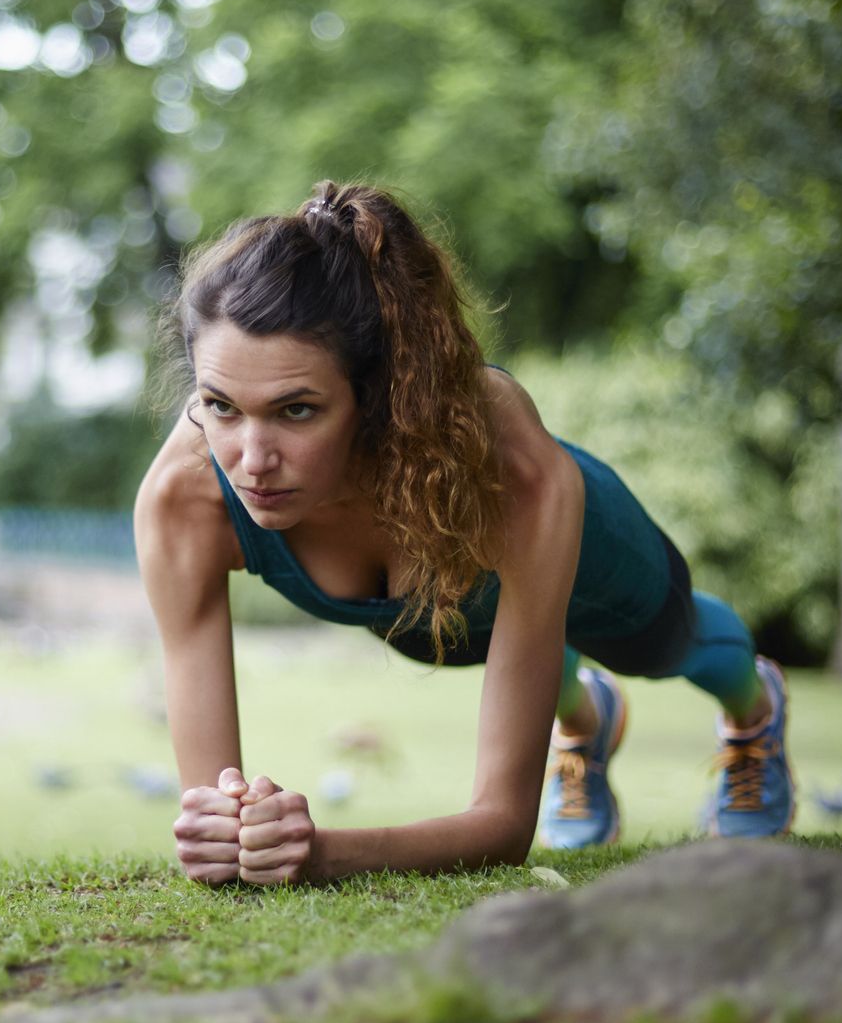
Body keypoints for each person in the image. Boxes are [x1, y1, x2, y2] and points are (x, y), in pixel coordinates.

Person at [134, 181, 794, 887]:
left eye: (296, 410)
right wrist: (225, 832)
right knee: (484, 646)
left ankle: (752, 709)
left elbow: (503, 828)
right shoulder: (185, 498)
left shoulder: (518, 473)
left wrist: (320, 851)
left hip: (592, 558)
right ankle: (583, 719)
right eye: (220, 406)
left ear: (382, 392)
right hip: (439, 622)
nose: (251, 460)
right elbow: (210, 801)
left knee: (671, 644)